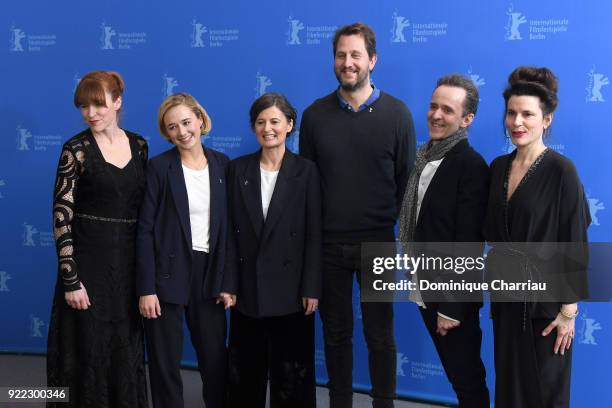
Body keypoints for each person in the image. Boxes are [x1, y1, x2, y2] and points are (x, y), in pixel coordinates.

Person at [299, 22, 416, 408]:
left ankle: (384, 402)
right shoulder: (315, 116)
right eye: (341, 55)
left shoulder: (398, 114)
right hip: (329, 245)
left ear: (372, 60)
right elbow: (309, 184)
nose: (347, 63)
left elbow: (406, 184)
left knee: (380, 335)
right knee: (335, 334)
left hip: (378, 243)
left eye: (355, 55)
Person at [484, 66, 591, 407]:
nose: (517, 122)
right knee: (510, 390)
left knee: (545, 394)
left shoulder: (562, 171)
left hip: (547, 309)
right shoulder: (498, 167)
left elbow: (574, 243)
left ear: (546, 119)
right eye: (512, 113)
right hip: (506, 299)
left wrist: (568, 312)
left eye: (527, 114)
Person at [47, 70, 148, 407]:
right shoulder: (74, 149)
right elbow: (61, 216)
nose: (91, 113)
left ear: (117, 103)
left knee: (125, 349)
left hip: (129, 268)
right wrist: (71, 279)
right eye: (84, 106)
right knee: (86, 349)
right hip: (87, 267)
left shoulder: (140, 145)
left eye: (99, 105)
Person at [223, 92, 322, 408]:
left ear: (290, 125)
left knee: (292, 379)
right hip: (246, 291)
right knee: (244, 376)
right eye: (261, 122)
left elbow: (313, 234)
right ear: (253, 127)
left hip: (292, 292)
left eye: (275, 121)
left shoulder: (306, 172)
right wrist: (228, 284)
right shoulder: (237, 170)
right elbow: (227, 234)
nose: (268, 128)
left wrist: (311, 287)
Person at [398, 75, 490, 407]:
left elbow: (468, 243)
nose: (436, 115)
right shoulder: (424, 156)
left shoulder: (471, 166)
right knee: (457, 376)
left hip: (452, 298)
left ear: (467, 119)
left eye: (447, 110)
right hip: (424, 284)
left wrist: (452, 307)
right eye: (433, 106)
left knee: (467, 380)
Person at [136, 93, 230, 408]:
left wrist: (229, 283)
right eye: (172, 127)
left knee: (216, 362)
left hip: (210, 276)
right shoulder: (159, 168)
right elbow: (145, 230)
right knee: (164, 365)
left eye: (186, 122)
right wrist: (146, 288)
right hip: (166, 275)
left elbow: (231, 231)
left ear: (200, 121)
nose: (182, 132)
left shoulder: (223, 165)